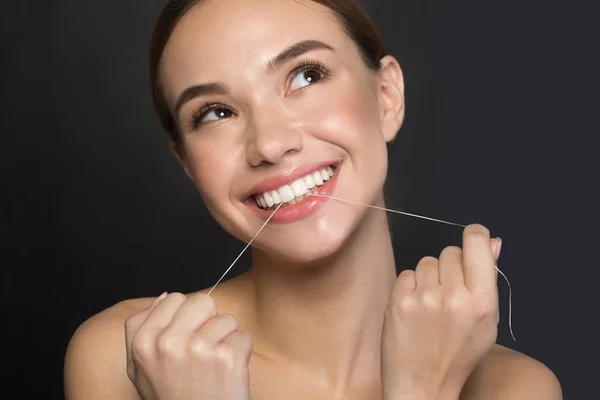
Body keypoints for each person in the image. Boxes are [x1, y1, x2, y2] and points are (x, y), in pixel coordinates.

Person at [64, 0, 562, 398]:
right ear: (187, 164)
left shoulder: (510, 389)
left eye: (305, 76)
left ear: (386, 95)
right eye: (215, 113)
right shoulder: (125, 356)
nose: (269, 143)